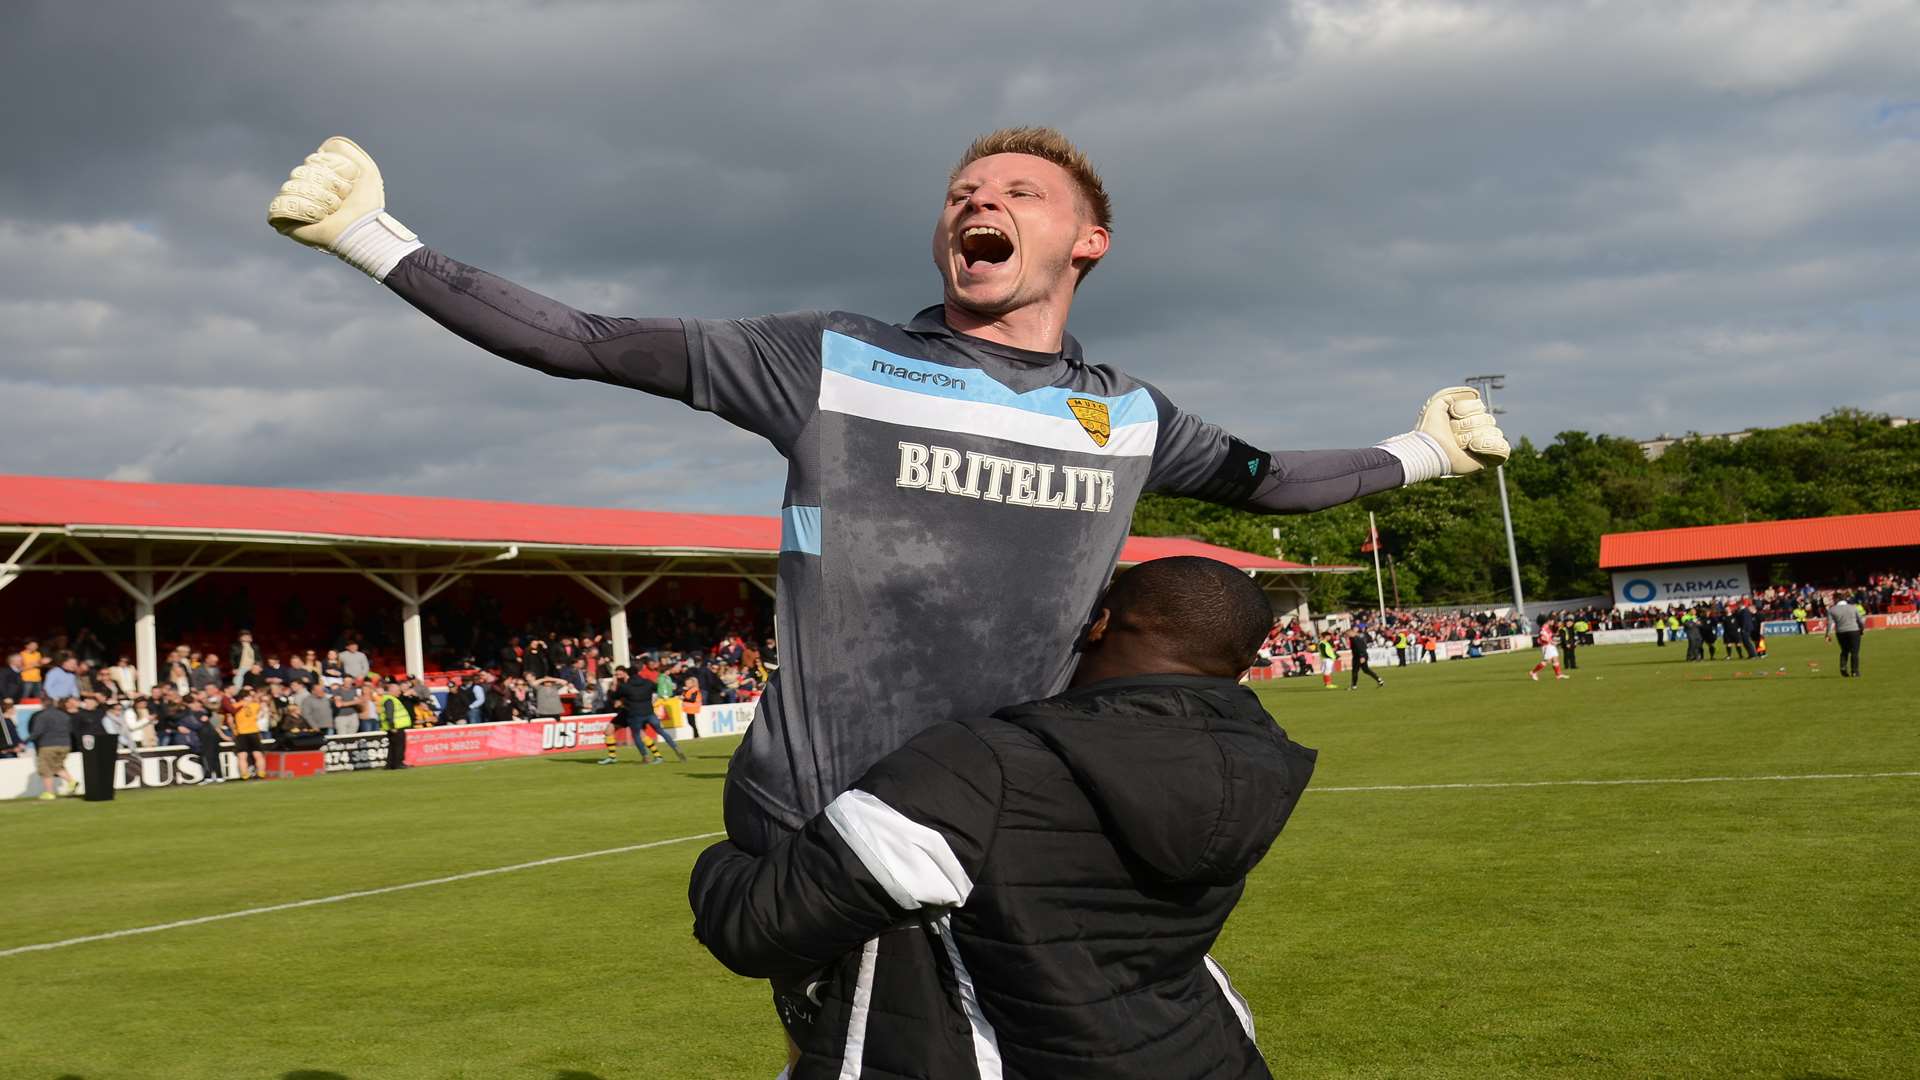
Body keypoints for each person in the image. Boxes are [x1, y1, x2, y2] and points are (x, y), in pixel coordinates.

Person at [269, 126, 1509, 1051]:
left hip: (1022, 824)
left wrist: (1423, 454)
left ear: (1090, 241)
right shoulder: (828, 360)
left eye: (1020, 193)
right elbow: (583, 340)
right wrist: (378, 239)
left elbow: (1269, 476)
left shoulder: (1125, 415)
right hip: (832, 826)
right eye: (964, 194)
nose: (980, 202)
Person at [690, 556, 1315, 1078]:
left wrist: (731, 852)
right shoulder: (1260, 763)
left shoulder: (983, 763)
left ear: (1099, 624)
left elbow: (760, 926)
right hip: (1195, 1051)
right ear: (1240, 665)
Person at [28, 696, 77, 799]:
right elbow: (71, 730)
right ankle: (71, 781)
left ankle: (49, 793)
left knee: (46, 769)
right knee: (56, 766)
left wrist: (25, 741)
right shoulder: (64, 715)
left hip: (48, 745)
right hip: (65, 745)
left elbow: (37, 732)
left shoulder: (42, 716)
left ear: (43, 704)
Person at [230, 689, 269, 780]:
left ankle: (244, 775)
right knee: (258, 754)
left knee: (242, 756)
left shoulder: (235, 706)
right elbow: (262, 710)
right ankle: (261, 773)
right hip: (253, 732)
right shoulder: (255, 705)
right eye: (250, 696)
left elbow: (230, 719)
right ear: (246, 697)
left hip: (241, 733)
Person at [1825, 595, 1864, 678]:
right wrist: (1861, 629)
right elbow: (1860, 620)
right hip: (1854, 631)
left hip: (1840, 632)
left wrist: (1827, 634)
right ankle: (1854, 671)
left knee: (1844, 650)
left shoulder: (1832, 610)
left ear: (1836, 599)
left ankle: (1843, 668)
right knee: (1855, 652)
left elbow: (1829, 623)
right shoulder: (1853, 607)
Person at [377, 683, 412, 769]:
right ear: (392, 691)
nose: (399, 692)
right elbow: (389, 714)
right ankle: (398, 763)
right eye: (398, 691)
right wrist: (392, 727)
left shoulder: (387, 699)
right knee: (398, 746)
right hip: (395, 727)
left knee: (392, 746)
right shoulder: (390, 700)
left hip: (393, 726)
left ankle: (390, 764)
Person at [1347, 624, 1384, 690]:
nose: (1347, 635)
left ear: (1351, 632)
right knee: (1366, 670)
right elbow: (1364, 646)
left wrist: (1362, 656)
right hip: (1361, 656)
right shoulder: (1356, 638)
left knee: (1355, 671)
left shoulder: (1355, 639)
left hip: (1359, 657)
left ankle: (1354, 686)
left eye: (1348, 634)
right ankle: (1379, 680)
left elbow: (1360, 648)